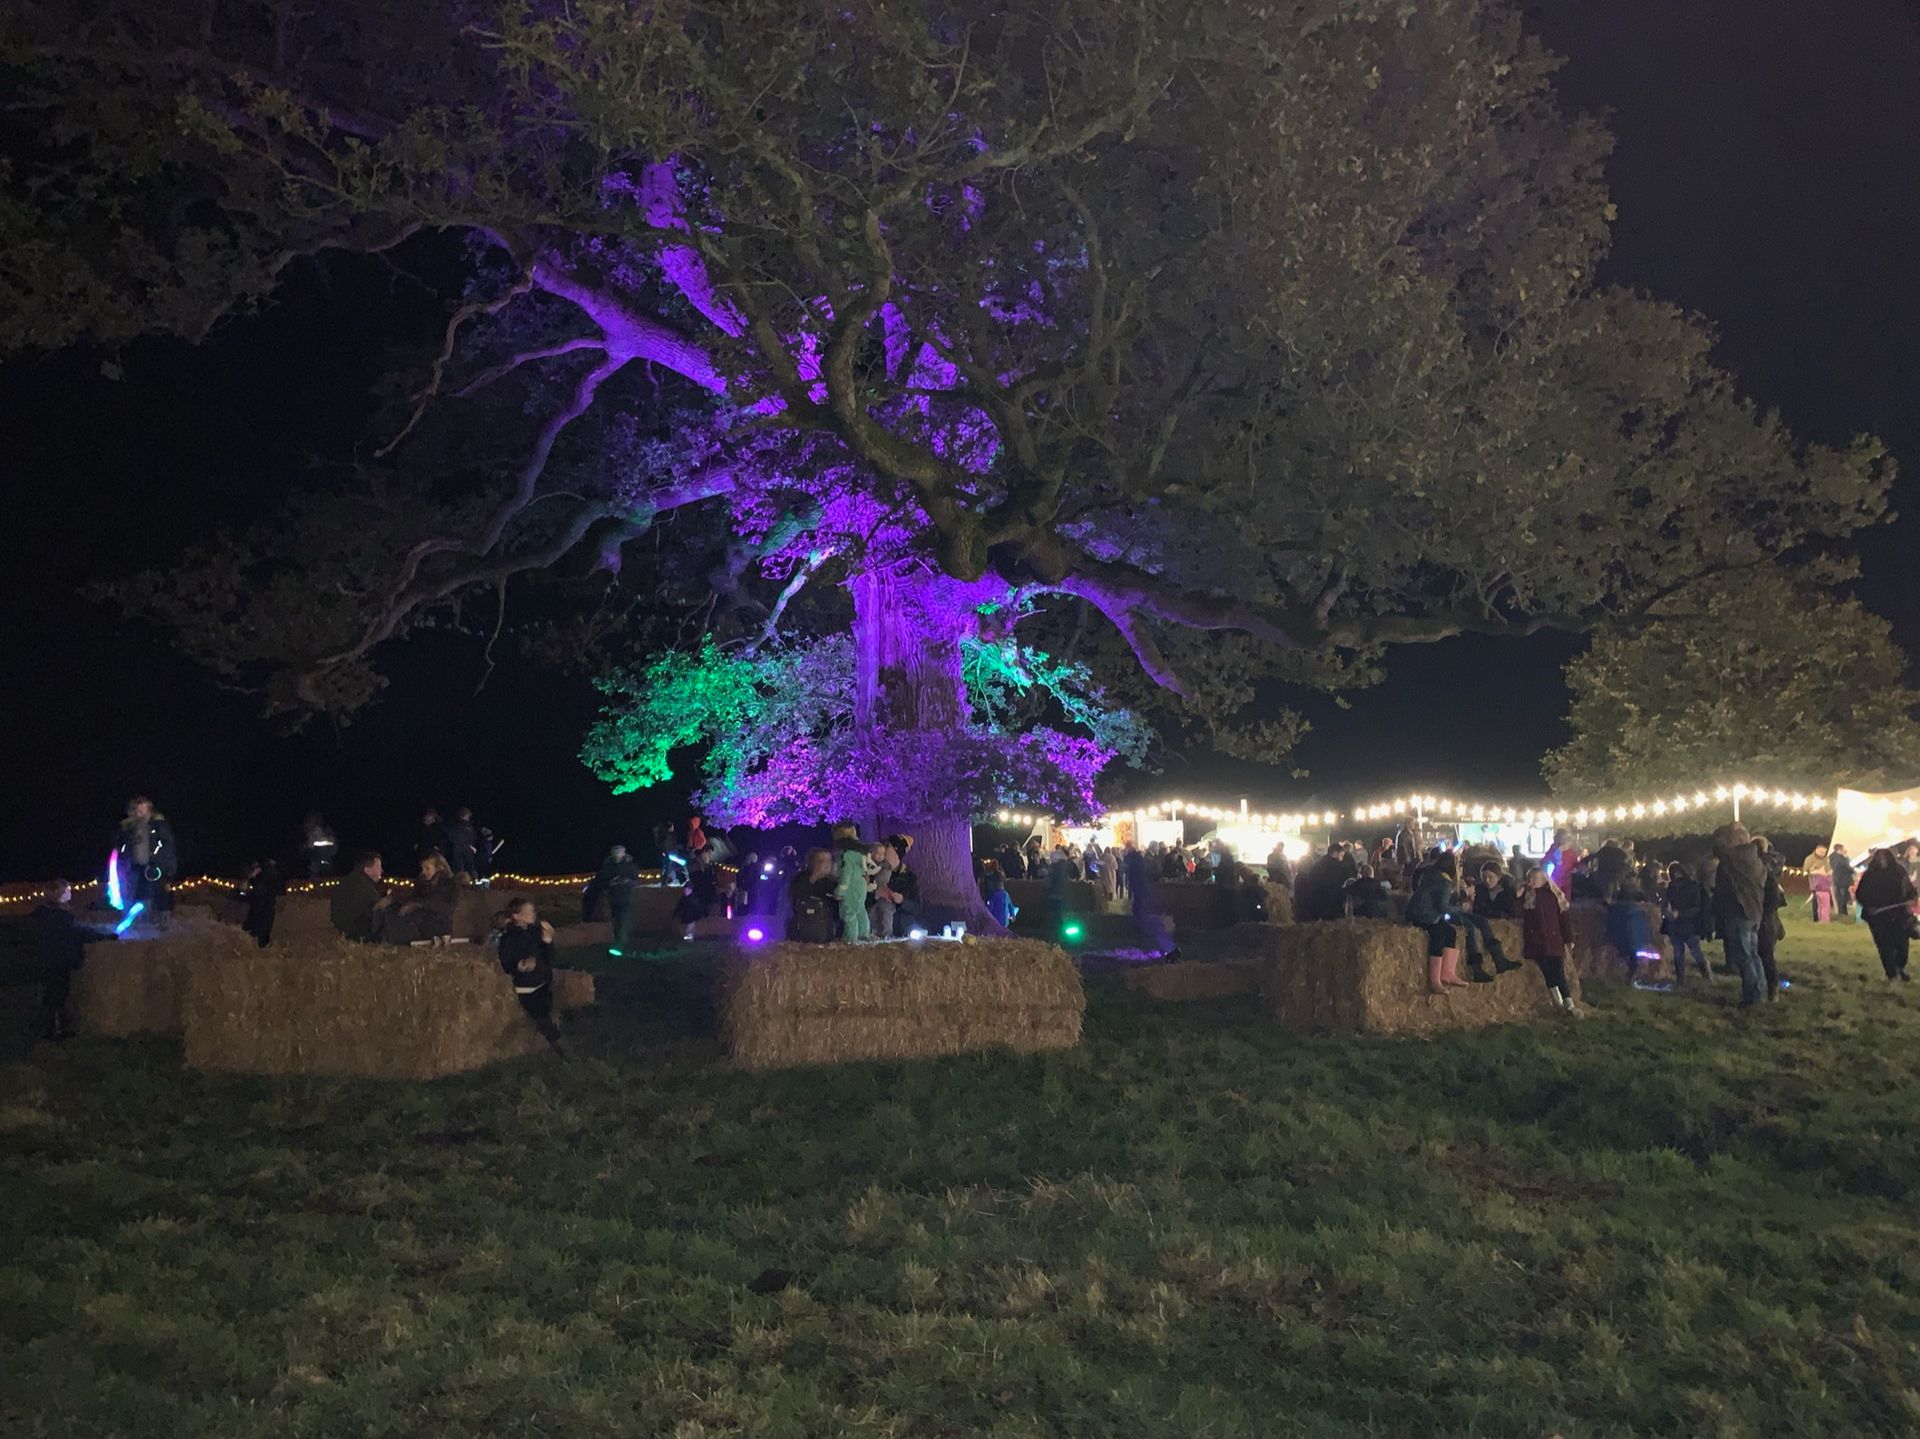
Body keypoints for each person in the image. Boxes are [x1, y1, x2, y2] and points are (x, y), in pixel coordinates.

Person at [31, 880, 110, 1042]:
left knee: (53, 993)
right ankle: (55, 1032)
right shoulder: (60, 917)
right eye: (66, 891)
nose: (70, 893)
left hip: (47, 959)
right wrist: (104, 936)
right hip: (57, 961)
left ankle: (53, 1028)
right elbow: (77, 933)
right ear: (59, 895)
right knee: (57, 995)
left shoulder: (44, 914)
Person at [497, 897, 565, 1055]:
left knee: (548, 1007)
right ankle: (560, 1046)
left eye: (532, 910)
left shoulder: (536, 932)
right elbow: (507, 963)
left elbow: (549, 958)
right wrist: (521, 965)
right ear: (516, 916)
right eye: (528, 911)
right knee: (540, 1012)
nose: (533, 913)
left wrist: (548, 940)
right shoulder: (509, 938)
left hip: (543, 981)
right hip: (526, 986)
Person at [1711, 824, 1770, 1006]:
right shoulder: (1755, 859)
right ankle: (1760, 990)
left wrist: (1728, 829)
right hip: (1754, 913)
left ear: (1738, 841)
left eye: (1730, 839)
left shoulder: (1737, 858)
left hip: (1740, 912)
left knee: (1744, 957)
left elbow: (1718, 848)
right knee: (1753, 955)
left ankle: (1751, 996)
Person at [1519, 868, 1582, 1017]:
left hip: (1553, 941)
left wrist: (1569, 938)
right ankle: (1558, 1003)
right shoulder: (1528, 897)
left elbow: (1563, 919)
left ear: (1543, 880)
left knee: (1558, 972)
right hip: (1537, 942)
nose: (1531, 881)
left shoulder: (1553, 896)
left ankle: (1569, 1004)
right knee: (1548, 973)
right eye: (1530, 878)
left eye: (1535, 878)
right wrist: (1518, 895)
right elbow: (1517, 912)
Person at [1853, 848, 1916, 982]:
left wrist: (1911, 897)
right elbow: (1860, 894)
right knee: (1885, 945)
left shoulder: (1898, 872)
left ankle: (1900, 967)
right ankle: (1891, 973)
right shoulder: (1870, 875)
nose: (1882, 861)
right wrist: (1869, 906)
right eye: (1879, 858)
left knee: (1901, 945)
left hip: (1898, 915)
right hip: (1878, 918)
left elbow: (1909, 889)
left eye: (1884, 858)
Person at [1404, 861, 1464, 993]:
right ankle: (1435, 980)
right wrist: (1460, 908)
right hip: (1425, 916)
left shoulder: (1429, 875)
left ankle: (1448, 972)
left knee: (1451, 931)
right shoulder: (1445, 882)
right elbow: (1442, 907)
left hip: (1415, 912)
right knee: (1439, 934)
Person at [115, 795, 177, 921]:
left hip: (156, 864)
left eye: (143, 807)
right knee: (139, 891)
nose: (141, 811)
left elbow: (167, 843)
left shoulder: (158, 824)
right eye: (138, 808)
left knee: (160, 890)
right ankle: (140, 917)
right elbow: (122, 845)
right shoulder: (129, 827)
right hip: (137, 864)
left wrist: (157, 857)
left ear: (149, 808)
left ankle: (164, 918)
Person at [1663, 861, 1712, 984]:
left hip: (1688, 924)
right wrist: (1668, 911)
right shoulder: (1672, 886)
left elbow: (1696, 907)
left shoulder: (1692, 886)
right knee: (1679, 952)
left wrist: (1679, 913)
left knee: (1695, 952)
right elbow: (1666, 902)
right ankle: (1681, 979)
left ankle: (1705, 974)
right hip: (1677, 924)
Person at [331, 852, 392, 941]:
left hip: (345, 930)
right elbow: (377, 909)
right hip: (358, 933)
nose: (381, 871)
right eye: (379, 867)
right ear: (367, 869)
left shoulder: (351, 881)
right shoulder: (362, 885)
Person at [788, 848, 839, 942]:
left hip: (826, 933)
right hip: (802, 931)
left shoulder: (834, 883)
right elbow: (795, 894)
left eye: (828, 861)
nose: (824, 865)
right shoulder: (801, 878)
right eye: (819, 861)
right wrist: (813, 878)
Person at [595, 844, 640, 951]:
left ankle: (621, 944)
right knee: (616, 921)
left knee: (623, 920)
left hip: (625, 896)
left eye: (619, 852)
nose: (617, 855)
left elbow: (635, 877)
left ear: (623, 853)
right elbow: (602, 878)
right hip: (613, 897)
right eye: (615, 852)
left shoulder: (629, 864)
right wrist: (611, 882)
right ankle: (619, 941)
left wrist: (625, 882)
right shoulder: (608, 865)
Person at [833, 824, 871, 942]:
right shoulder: (860, 853)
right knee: (860, 910)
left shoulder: (845, 855)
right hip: (861, 884)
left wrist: (840, 891)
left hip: (851, 887)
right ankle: (864, 935)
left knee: (849, 913)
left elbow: (846, 873)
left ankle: (851, 939)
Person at [238, 860, 283, 948]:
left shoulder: (264, 879)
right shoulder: (257, 880)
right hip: (260, 907)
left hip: (263, 907)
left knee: (260, 928)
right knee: (255, 927)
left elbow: (259, 893)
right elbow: (247, 895)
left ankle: (261, 945)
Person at [885, 835, 921, 930]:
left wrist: (902, 901)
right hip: (880, 929)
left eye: (888, 846)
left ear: (896, 851)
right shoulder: (875, 872)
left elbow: (917, 907)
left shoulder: (910, 878)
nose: (884, 849)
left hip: (902, 930)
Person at [868, 841, 900, 940]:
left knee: (886, 912)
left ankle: (887, 934)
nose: (880, 856)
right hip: (871, 894)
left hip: (884, 893)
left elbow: (884, 879)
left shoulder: (885, 867)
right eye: (878, 853)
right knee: (871, 913)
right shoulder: (867, 866)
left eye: (883, 854)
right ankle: (872, 933)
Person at [442, 807, 480, 880]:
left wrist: (471, 845)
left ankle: (471, 882)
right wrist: (468, 845)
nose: (469, 817)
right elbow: (452, 837)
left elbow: (473, 837)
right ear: (463, 816)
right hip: (460, 850)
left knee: (468, 867)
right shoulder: (457, 826)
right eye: (467, 815)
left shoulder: (469, 826)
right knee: (459, 868)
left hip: (466, 850)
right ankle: (460, 884)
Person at [981, 861, 1019, 929]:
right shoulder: (1006, 894)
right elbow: (1010, 905)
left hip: (997, 920)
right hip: (1005, 921)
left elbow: (990, 908)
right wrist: (1013, 915)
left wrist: (987, 916)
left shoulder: (994, 896)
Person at [303, 812, 339, 877]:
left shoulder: (313, 834)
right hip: (326, 863)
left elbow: (309, 847)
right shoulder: (329, 834)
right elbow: (334, 850)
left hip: (318, 864)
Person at [1830, 844, 1856, 921]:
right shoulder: (1836, 858)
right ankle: (1842, 913)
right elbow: (1845, 866)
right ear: (1839, 849)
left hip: (1844, 880)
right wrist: (1852, 870)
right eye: (1843, 849)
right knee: (1841, 896)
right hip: (1841, 880)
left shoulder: (1840, 858)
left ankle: (1844, 912)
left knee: (1845, 896)